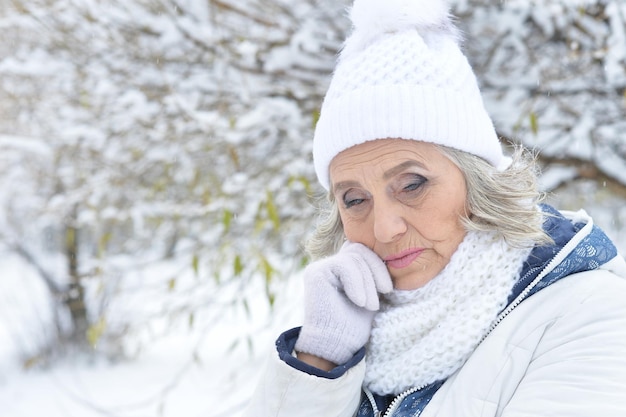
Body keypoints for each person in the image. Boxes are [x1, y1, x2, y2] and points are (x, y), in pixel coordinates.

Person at [243, 0, 626, 415]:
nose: (385, 228)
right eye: (354, 200)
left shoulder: (590, 316)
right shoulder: (357, 335)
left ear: (477, 181)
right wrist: (321, 358)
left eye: (412, 184)